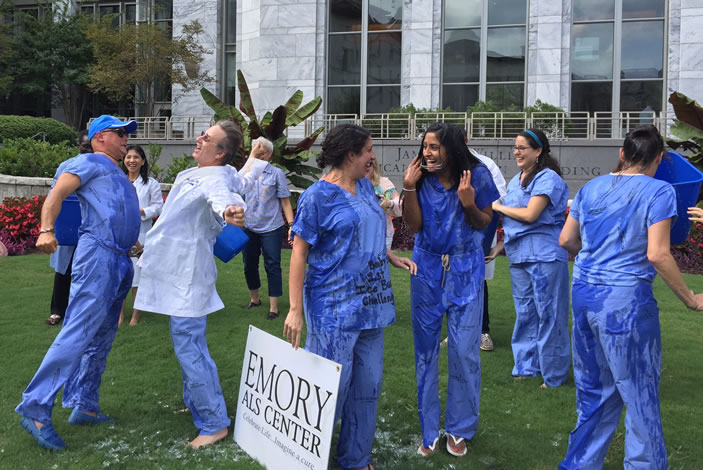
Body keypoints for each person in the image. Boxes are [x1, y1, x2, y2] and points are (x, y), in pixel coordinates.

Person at [558, 125, 703, 470]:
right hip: (625, 306)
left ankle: (580, 464)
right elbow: (658, 254)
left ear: (622, 154)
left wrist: (595, 256)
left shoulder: (591, 188)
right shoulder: (660, 191)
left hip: (584, 297)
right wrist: (691, 300)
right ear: (660, 159)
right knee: (639, 395)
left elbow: (566, 241)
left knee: (593, 393)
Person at [283, 124, 416, 470]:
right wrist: (295, 309)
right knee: (330, 389)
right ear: (349, 154)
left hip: (373, 305)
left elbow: (367, 231)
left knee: (367, 387)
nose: (373, 156)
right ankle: (307, 457)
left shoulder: (368, 189)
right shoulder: (317, 196)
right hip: (333, 308)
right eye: (368, 150)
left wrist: (389, 257)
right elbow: (299, 253)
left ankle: (355, 459)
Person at [133, 120, 266, 449]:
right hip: (177, 272)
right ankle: (199, 406)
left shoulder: (217, 178)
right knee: (188, 346)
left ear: (219, 153)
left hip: (188, 277)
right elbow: (242, 176)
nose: (198, 139)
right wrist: (256, 158)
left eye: (206, 138)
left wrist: (231, 211)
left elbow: (225, 196)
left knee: (190, 348)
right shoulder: (205, 172)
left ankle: (213, 422)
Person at [16, 115, 140, 450]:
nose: (126, 139)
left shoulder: (118, 172)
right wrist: (46, 229)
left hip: (119, 258)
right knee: (78, 331)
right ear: (100, 137)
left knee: (102, 337)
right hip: (97, 256)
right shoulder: (86, 161)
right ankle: (35, 406)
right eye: (120, 134)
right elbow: (57, 194)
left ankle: (85, 405)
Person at [402, 122, 499, 457]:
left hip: (465, 269)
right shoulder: (420, 178)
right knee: (425, 351)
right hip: (425, 267)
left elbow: (485, 222)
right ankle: (429, 430)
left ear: (453, 148)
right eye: (425, 146)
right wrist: (409, 189)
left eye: (434, 147)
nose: (427, 153)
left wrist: (468, 203)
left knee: (464, 351)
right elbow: (414, 226)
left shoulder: (477, 175)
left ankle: (459, 430)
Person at [492, 128, 570, 389]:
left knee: (550, 314)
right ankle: (526, 368)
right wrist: (500, 246)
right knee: (525, 313)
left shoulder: (548, 178)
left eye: (523, 147)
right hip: (520, 256)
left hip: (546, 255)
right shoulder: (516, 180)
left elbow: (530, 215)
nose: (517, 152)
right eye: (515, 147)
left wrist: (497, 206)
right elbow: (516, 224)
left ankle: (553, 375)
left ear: (538, 151)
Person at [241, 137, 295, 320]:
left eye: (261, 151)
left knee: (272, 265)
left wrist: (291, 226)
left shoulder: (276, 173)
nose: (258, 154)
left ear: (269, 154)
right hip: (248, 226)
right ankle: (254, 299)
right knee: (249, 264)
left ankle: (274, 308)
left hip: (271, 226)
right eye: (255, 150)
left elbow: (285, 201)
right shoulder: (246, 173)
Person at [45, 130, 91, 326]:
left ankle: (82, 312)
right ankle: (57, 310)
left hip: (91, 227)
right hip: (69, 224)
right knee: (63, 269)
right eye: (84, 145)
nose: (87, 149)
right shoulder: (67, 166)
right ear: (78, 146)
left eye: (90, 145)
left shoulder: (103, 166)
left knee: (89, 271)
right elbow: (54, 195)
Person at [118, 144, 163, 327]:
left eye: (136, 157)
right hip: (120, 234)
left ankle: (135, 315)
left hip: (142, 234)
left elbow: (159, 206)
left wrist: (141, 211)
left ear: (143, 161)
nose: (132, 161)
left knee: (138, 278)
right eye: (128, 157)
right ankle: (119, 315)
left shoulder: (151, 183)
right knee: (121, 276)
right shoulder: (119, 181)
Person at [364, 160, 402, 249]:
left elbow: (399, 204)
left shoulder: (383, 183)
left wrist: (390, 203)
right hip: (359, 234)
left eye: (369, 165)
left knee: (380, 262)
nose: (365, 168)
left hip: (383, 234)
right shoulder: (350, 183)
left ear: (374, 167)